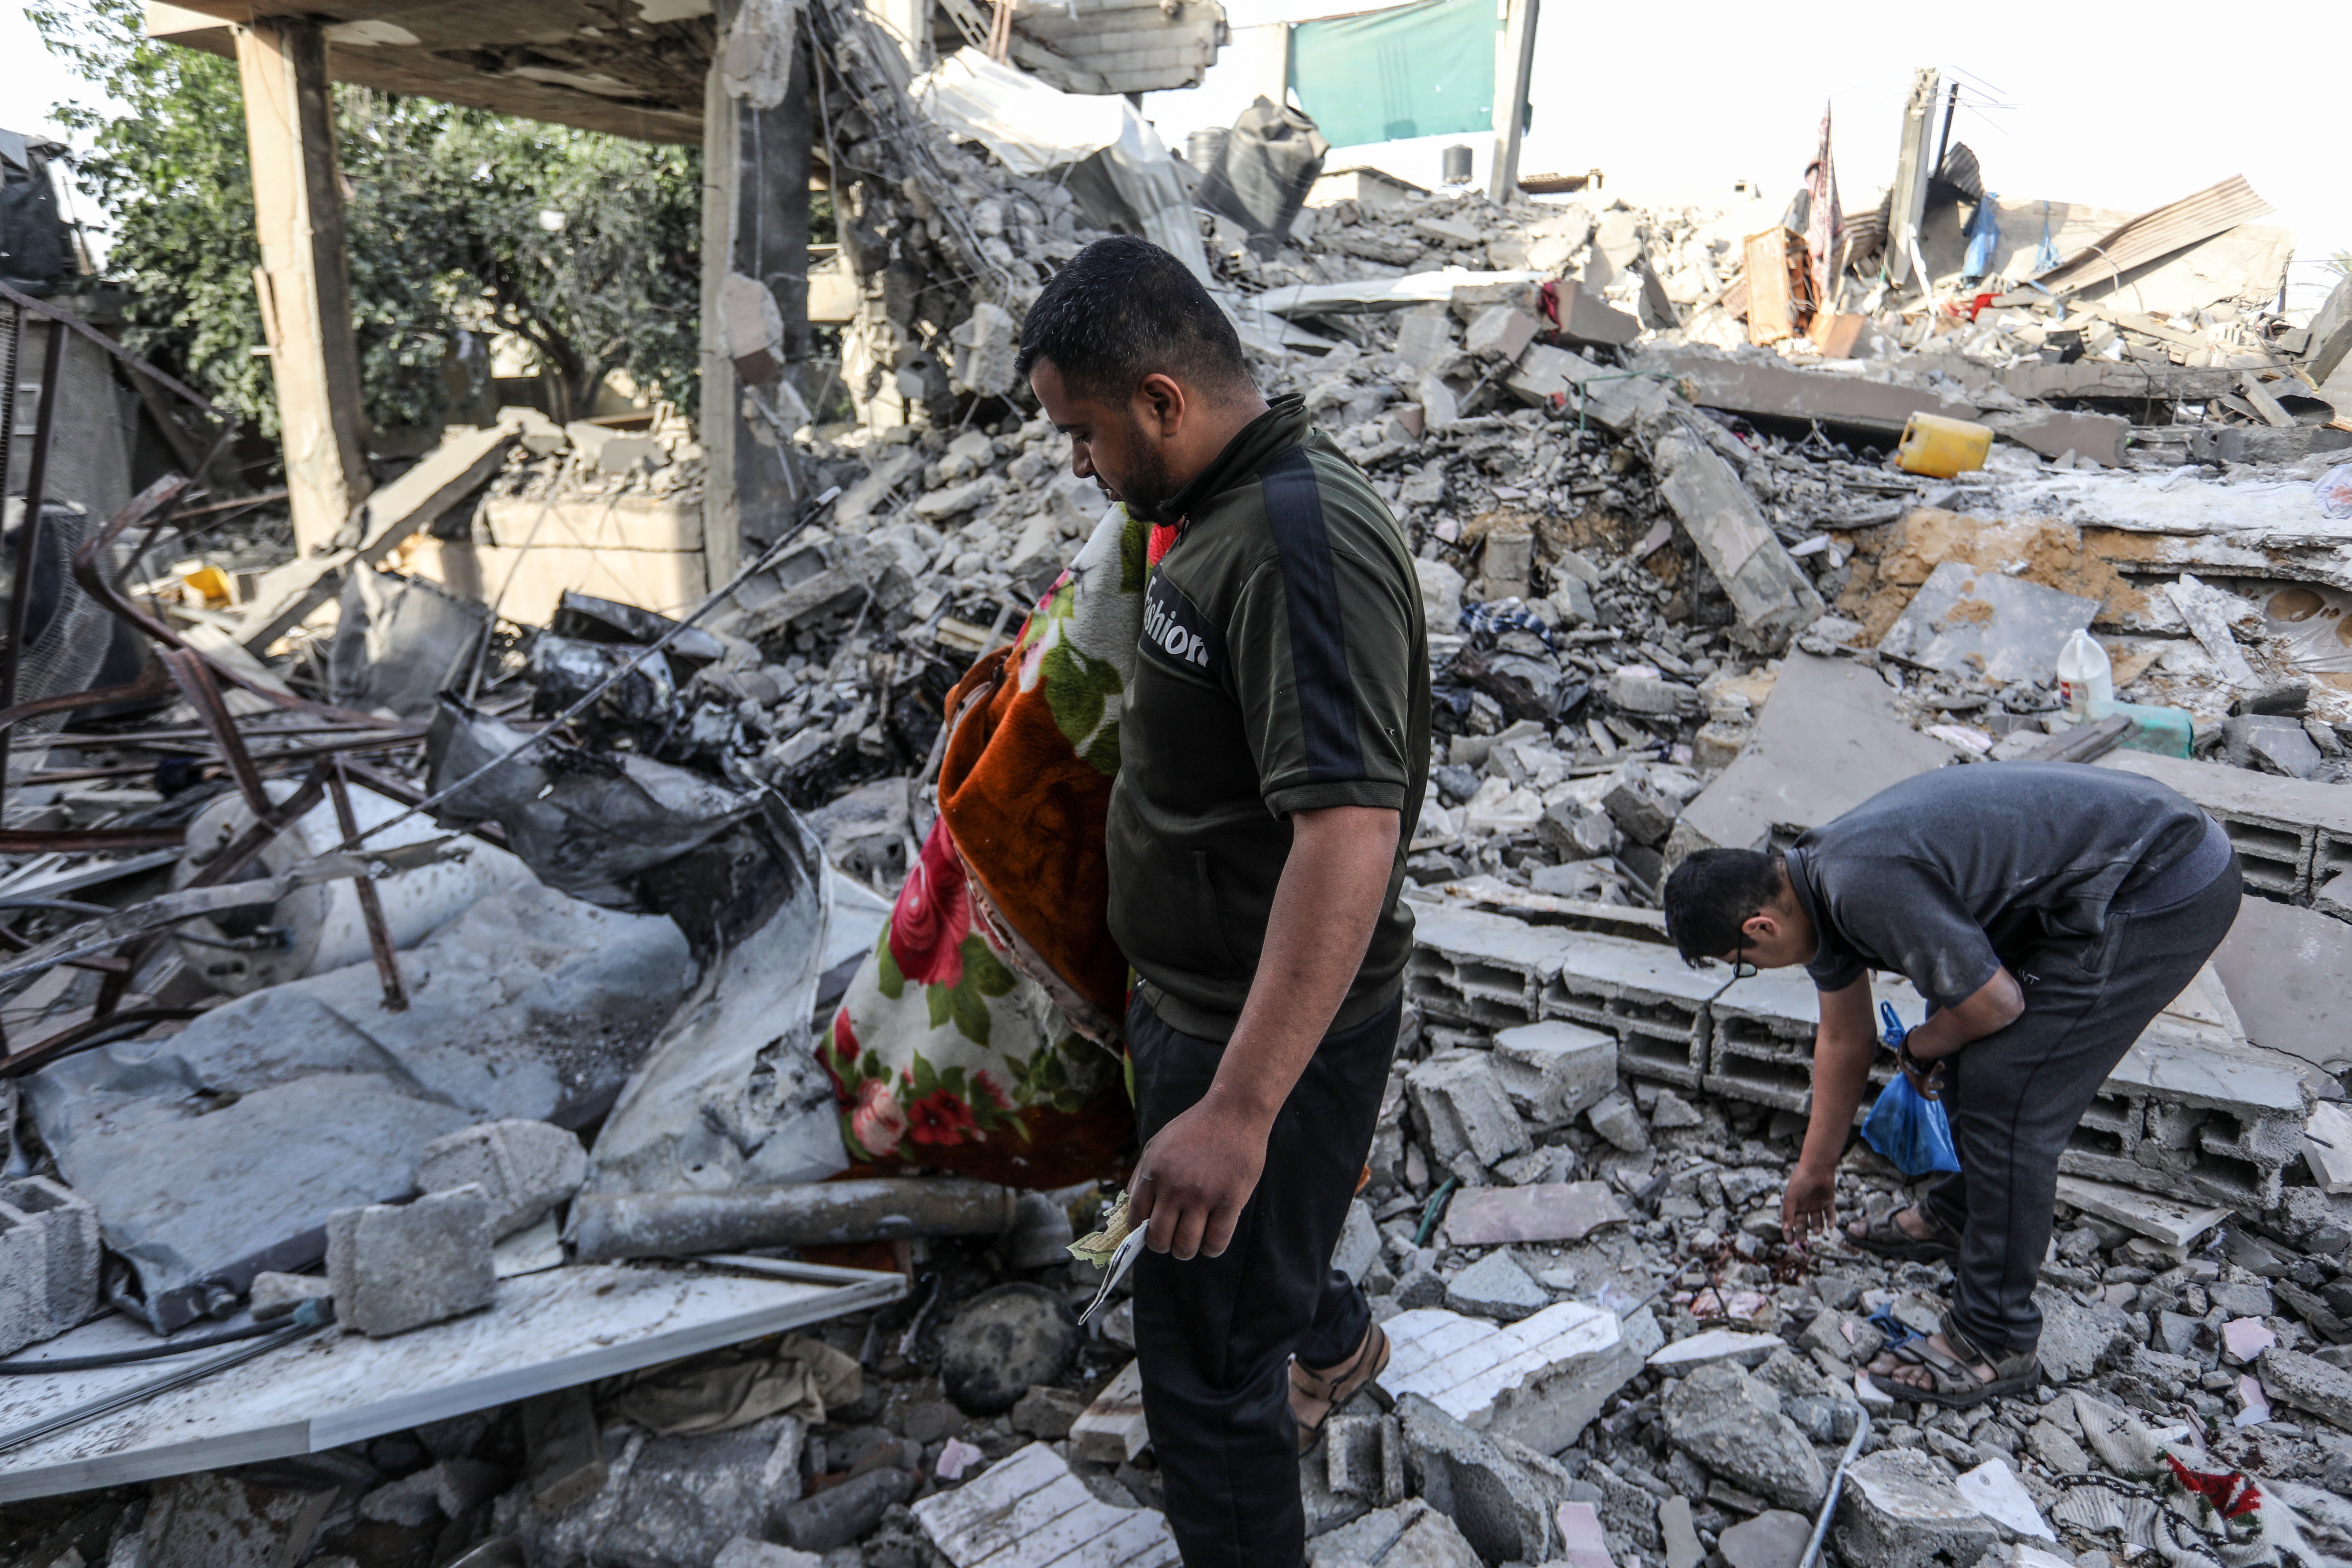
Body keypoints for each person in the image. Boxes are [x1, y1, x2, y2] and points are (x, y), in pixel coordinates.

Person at [1016, 235, 1430, 1566]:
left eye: (1083, 433)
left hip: (1254, 1041)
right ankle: (1333, 1332)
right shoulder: (1211, 519)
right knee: (1251, 1280)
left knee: (1203, 1380)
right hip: (1199, 1004)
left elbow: (1350, 834)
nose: (1078, 464)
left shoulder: (1297, 543)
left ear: (1160, 400)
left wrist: (1239, 1112)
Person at [1660, 762, 2240, 1408]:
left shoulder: (1862, 884)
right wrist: (1816, 1168)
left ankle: (1994, 1339)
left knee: (2006, 1091)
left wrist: (1919, 1046)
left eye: (1744, 967)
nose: (1756, 971)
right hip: (2108, 871)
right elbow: (1844, 1038)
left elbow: (1995, 1006)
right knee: (1961, 1041)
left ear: (1760, 929)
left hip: (2164, 884)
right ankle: (1964, 1215)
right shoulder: (1809, 887)